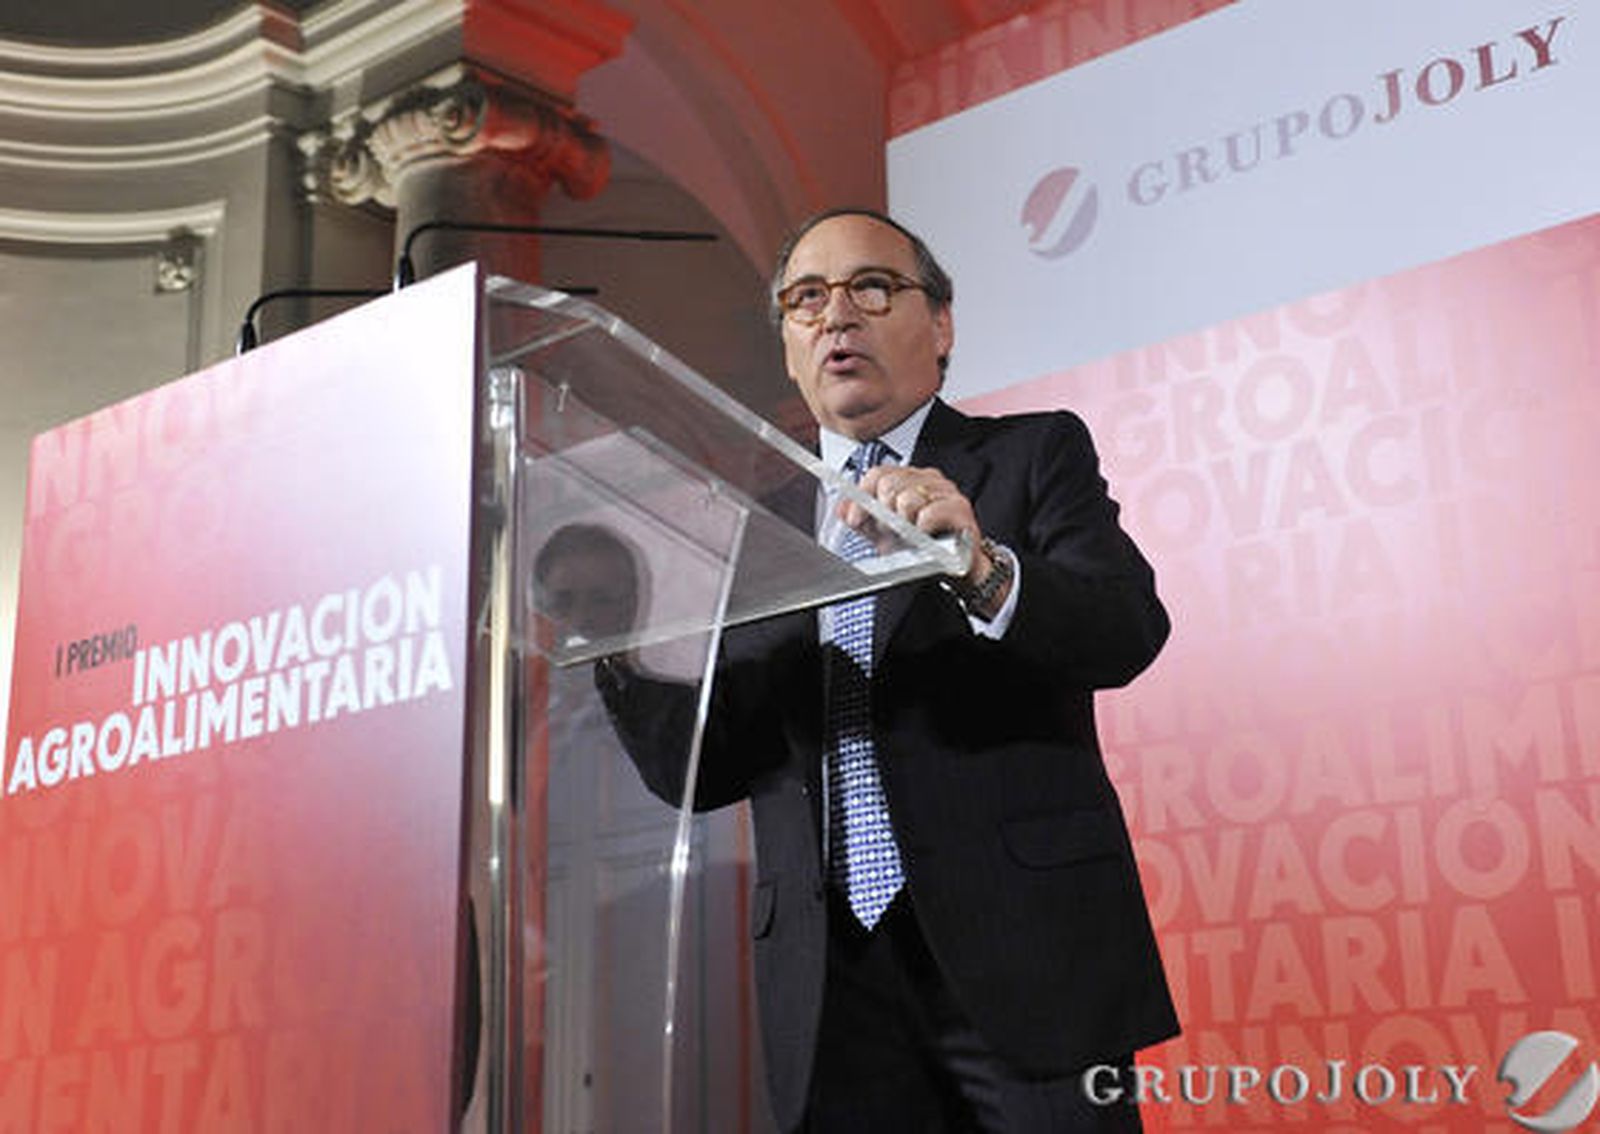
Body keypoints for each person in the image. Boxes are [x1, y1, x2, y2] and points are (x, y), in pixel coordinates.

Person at [600, 208, 1177, 1132]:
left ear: (940, 325)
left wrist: (980, 569)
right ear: (789, 348)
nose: (836, 315)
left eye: (871, 287)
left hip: (1023, 953)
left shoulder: (1029, 454)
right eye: (807, 298)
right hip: (832, 981)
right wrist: (624, 637)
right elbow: (699, 772)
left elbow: (1125, 630)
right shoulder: (751, 527)